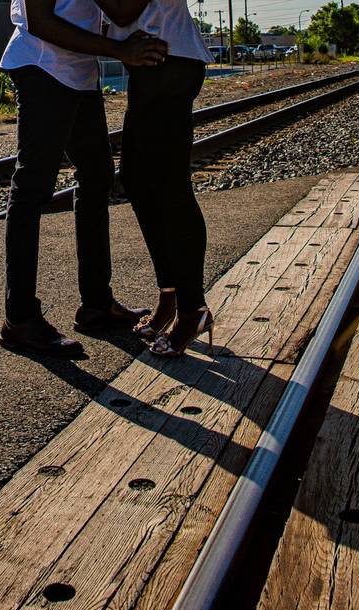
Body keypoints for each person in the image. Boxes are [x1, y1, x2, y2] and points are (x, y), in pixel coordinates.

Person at [0, 0, 168, 357]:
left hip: (79, 73)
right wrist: (118, 49)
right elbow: (40, 21)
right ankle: (20, 319)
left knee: (97, 176)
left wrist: (119, 36)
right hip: (43, 66)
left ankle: (96, 304)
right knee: (32, 187)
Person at [104, 0, 216, 357]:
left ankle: (193, 309)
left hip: (170, 61)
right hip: (152, 63)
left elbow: (123, 11)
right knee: (136, 180)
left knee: (171, 188)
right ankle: (170, 294)